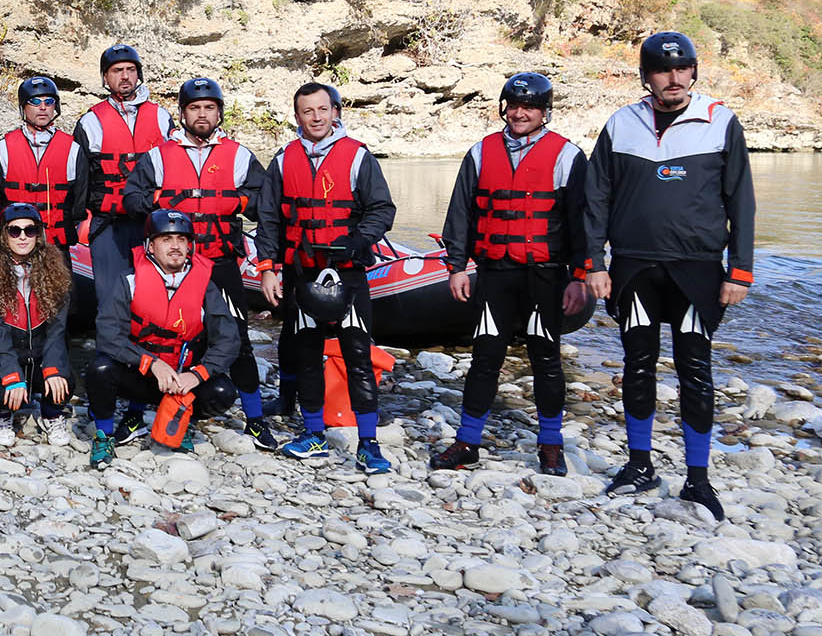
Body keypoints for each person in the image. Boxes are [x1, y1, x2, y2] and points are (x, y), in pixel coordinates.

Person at [581, 32, 754, 521]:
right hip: (634, 267)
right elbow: (595, 199)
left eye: (682, 70)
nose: (674, 78)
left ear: (694, 72)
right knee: (638, 364)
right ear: (647, 76)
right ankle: (640, 466)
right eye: (662, 70)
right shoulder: (621, 123)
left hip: (697, 271)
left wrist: (739, 270)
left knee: (695, 370)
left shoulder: (719, 122)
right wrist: (594, 263)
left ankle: (697, 479)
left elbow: (741, 200)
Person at [432, 72, 590, 477]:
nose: (520, 113)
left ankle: (550, 446)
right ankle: (467, 442)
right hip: (495, 272)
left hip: (545, 274)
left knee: (546, 359)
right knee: (485, 357)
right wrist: (457, 267)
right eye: (514, 106)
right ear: (504, 108)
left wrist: (579, 277)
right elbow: (461, 214)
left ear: (544, 112)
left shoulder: (567, 156)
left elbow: (582, 223)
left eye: (530, 107)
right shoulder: (482, 153)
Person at [255, 82, 398, 473]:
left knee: (357, 357)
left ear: (335, 112)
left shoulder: (357, 157)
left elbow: (382, 209)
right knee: (307, 357)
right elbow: (269, 219)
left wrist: (358, 240)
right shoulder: (284, 159)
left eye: (322, 110)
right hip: (303, 271)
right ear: (297, 116)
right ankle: (313, 434)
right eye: (307, 111)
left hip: (348, 273)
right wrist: (267, 269)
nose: (315, 118)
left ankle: (369, 444)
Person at [121, 76, 268, 424]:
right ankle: (136, 410)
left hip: (219, 261)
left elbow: (264, 203)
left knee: (238, 337)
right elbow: (130, 199)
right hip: (168, 264)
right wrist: (162, 200)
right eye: (194, 108)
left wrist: (236, 201)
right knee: (151, 334)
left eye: (209, 108)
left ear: (219, 113)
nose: (202, 114)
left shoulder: (239, 156)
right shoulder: (158, 156)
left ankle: (256, 417)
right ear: (183, 113)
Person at [83, 209, 244, 469]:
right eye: (167, 240)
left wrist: (197, 375)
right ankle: (104, 435)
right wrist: (151, 363)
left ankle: (182, 421)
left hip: (183, 378)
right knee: (100, 368)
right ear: (150, 245)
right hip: (141, 373)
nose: (176, 246)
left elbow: (228, 340)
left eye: (182, 240)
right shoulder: (128, 280)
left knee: (223, 392)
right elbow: (109, 335)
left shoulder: (205, 285)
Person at [0, 204, 74, 448]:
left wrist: (53, 368)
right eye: (14, 231)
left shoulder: (56, 271)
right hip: (4, 354)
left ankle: (51, 415)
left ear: (40, 235)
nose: (23, 236)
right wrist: (10, 372)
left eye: (30, 230)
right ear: (2, 235)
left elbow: (58, 330)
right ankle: (2, 417)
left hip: (37, 354)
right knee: (1, 390)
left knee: (64, 381)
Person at [73, 44, 175, 291]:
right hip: (108, 222)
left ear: (138, 74)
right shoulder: (90, 122)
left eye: (131, 69)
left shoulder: (161, 117)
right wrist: (79, 220)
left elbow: (175, 169)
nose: (125, 76)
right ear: (106, 78)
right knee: (110, 298)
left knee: (153, 297)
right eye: (117, 70)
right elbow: (80, 180)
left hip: (152, 222)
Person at [0, 76, 87, 250]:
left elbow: (79, 200)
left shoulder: (73, 149)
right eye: (34, 101)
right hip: (16, 240)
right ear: (23, 107)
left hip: (56, 242)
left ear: (56, 106)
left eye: (49, 101)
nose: (43, 107)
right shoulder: (2, 149)